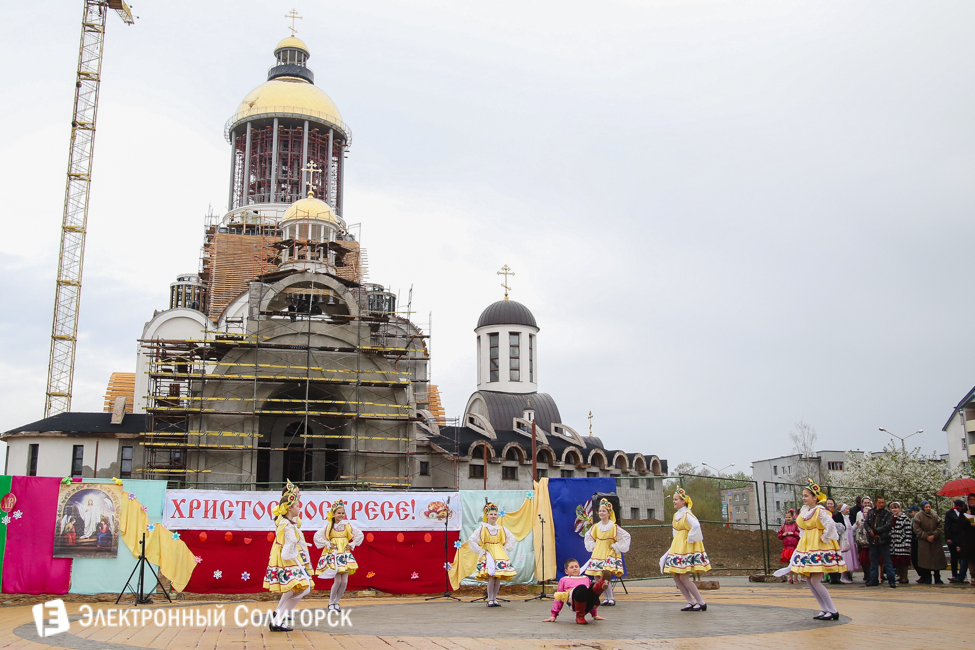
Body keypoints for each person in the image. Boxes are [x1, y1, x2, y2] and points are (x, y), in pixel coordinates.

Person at [780, 479, 845, 620]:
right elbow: (803, 530)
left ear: (815, 497)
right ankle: (825, 609)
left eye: (806, 496)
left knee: (815, 581)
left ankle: (832, 610)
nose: (804, 498)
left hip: (818, 547)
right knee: (809, 581)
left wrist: (825, 538)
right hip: (808, 546)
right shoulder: (805, 511)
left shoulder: (820, 511)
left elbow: (831, 525)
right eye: (803, 495)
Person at [263, 480, 314, 632]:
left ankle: (278, 616)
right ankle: (278, 617)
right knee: (300, 587)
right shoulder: (285, 523)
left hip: (292, 555)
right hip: (288, 557)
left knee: (296, 588)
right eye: (297, 504)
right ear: (289, 507)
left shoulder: (288, 522)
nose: (300, 505)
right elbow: (291, 538)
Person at [661, 486, 711, 611]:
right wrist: (672, 548)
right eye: (673, 499)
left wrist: (689, 538)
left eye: (676, 499)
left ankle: (701, 602)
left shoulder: (687, 513)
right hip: (678, 546)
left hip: (686, 547)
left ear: (684, 501)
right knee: (676, 576)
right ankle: (690, 601)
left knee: (683, 577)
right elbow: (674, 532)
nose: (674, 501)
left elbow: (696, 525)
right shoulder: (676, 515)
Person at [314, 500, 364, 612]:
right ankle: (331, 602)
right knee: (337, 581)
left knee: (345, 581)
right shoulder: (329, 526)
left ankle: (337, 602)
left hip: (345, 555)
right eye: (338, 513)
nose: (341, 515)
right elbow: (317, 537)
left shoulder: (347, 526)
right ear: (333, 514)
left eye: (342, 513)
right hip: (335, 555)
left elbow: (359, 535)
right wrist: (328, 543)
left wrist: (352, 544)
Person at [584, 498, 631, 607]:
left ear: (609, 513)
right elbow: (588, 537)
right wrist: (593, 545)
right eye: (600, 511)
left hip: (608, 553)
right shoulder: (596, 526)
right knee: (597, 576)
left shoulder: (613, 527)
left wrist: (616, 545)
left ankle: (611, 598)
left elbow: (626, 536)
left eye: (604, 511)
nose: (601, 513)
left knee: (605, 576)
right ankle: (606, 597)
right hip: (598, 553)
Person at [468, 502, 516, 607]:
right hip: (489, 553)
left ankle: (495, 598)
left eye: (495, 514)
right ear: (487, 515)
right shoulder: (483, 528)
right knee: (491, 575)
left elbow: (512, 538)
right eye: (491, 514)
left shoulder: (501, 529)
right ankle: (490, 598)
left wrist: (505, 548)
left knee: (498, 576)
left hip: (499, 553)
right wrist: (480, 550)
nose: (493, 516)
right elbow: (472, 539)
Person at [544, 558, 609, 624]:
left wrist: (595, 615)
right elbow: (558, 597)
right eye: (571, 567)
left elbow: (591, 594)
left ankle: (601, 584)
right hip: (574, 602)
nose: (574, 568)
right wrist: (554, 615)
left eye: (576, 567)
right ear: (566, 571)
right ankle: (580, 616)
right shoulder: (564, 580)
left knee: (592, 587)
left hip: (588, 602)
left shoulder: (585, 578)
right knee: (582, 588)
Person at [912, 500, 946, 584]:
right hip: (924, 542)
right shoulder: (918, 516)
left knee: (937, 560)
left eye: (929, 507)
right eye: (926, 507)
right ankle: (927, 577)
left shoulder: (935, 516)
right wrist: (926, 536)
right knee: (925, 560)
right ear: (923, 507)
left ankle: (937, 577)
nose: (928, 508)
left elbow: (940, 527)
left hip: (935, 541)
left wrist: (934, 535)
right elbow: (917, 529)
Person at [865, 496, 895, 587]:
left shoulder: (887, 514)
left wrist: (877, 531)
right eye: (880, 502)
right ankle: (874, 579)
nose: (882, 504)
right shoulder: (871, 513)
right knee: (873, 562)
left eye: (883, 502)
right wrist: (870, 531)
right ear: (876, 503)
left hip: (884, 540)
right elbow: (866, 523)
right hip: (873, 541)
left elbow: (888, 526)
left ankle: (891, 580)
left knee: (887, 562)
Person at [889, 502, 912, 584]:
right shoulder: (890, 518)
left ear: (900, 508)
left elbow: (908, 531)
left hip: (902, 543)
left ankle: (905, 577)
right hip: (893, 544)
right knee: (896, 562)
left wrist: (907, 543)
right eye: (892, 508)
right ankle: (900, 576)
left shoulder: (905, 518)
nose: (894, 509)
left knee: (903, 562)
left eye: (896, 507)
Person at [945, 499, 967, 583]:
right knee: (954, 557)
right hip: (953, 538)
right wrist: (948, 537)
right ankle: (954, 575)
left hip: (963, 539)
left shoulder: (965, 513)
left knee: (963, 558)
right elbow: (947, 526)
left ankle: (963, 576)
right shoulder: (950, 513)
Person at [853, 496, 873, 582]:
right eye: (865, 503)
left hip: (871, 540)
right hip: (862, 539)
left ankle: (872, 574)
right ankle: (866, 574)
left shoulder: (873, 513)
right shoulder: (858, 514)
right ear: (862, 504)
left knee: (871, 558)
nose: (867, 504)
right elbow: (858, 527)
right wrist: (859, 539)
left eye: (868, 502)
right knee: (864, 559)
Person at [777, 510, 800, 583]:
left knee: (795, 562)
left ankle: (796, 577)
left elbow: (800, 534)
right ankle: (790, 578)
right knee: (789, 563)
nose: (788, 518)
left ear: (793, 517)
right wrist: (782, 535)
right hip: (787, 547)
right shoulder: (783, 526)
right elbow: (779, 535)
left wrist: (792, 533)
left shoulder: (796, 525)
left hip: (794, 547)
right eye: (786, 517)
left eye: (789, 517)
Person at [836, 504, 856, 583]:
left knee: (848, 557)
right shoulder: (839, 517)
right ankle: (842, 576)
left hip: (849, 539)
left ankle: (846, 576)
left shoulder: (847, 518)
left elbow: (850, 529)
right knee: (844, 557)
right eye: (846, 509)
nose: (848, 510)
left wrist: (856, 525)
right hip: (843, 539)